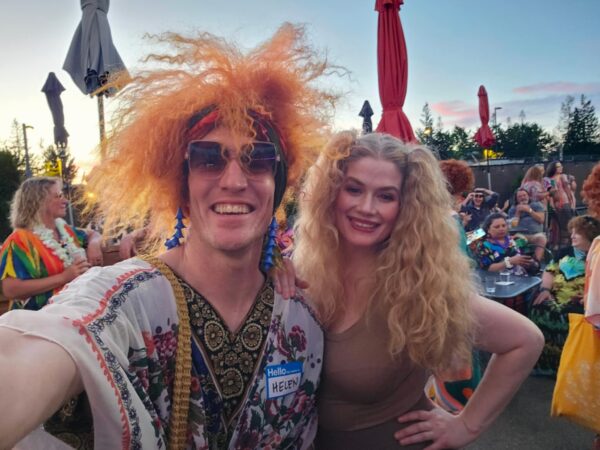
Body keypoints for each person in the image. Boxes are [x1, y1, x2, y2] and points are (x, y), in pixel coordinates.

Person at [0, 24, 333, 449]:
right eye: (209, 159)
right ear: (182, 187)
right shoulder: (127, 302)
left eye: (258, 159)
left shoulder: (303, 315)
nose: (234, 180)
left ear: (277, 186)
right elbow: (51, 341)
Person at [290, 132, 543, 449]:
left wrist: (466, 426)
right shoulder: (304, 270)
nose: (367, 207)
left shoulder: (418, 286)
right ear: (330, 192)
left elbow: (525, 341)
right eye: (354, 189)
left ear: (406, 206)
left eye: (386, 196)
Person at [0, 177, 103, 311]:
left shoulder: (65, 230)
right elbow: (10, 289)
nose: (65, 201)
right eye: (58, 196)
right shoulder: (19, 241)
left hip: (77, 310)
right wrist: (63, 277)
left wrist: (94, 245)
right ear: (39, 201)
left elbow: (93, 235)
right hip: (39, 317)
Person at [529, 215, 600, 376]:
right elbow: (549, 271)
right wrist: (545, 290)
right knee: (539, 307)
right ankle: (545, 364)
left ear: (589, 234)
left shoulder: (597, 255)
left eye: (577, 233)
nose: (572, 236)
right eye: (572, 232)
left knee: (571, 313)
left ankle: (569, 366)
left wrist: (588, 297)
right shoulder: (564, 252)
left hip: (584, 302)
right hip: (554, 296)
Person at [474, 212, 536, 313]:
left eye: (504, 225)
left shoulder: (511, 240)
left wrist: (528, 262)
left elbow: (521, 256)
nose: (501, 229)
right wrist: (509, 262)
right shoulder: (484, 245)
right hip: (497, 284)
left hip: (520, 281)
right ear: (488, 229)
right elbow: (488, 268)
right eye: (497, 227)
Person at [508, 188, 548, 262]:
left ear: (528, 196)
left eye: (524, 195)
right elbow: (513, 226)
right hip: (520, 234)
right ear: (516, 199)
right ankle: (520, 262)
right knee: (513, 241)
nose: (523, 197)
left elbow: (541, 220)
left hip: (535, 234)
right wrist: (518, 212)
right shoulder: (513, 209)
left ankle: (536, 262)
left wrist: (529, 210)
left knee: (542, 239)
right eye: (520, 196)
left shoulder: (536, 205)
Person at [545, 161, 575, 251]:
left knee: (568, 223)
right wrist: (552, 203)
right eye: (558, 166)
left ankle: (569, 243)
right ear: (553, 168)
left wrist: (572, 201)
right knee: (559, 224)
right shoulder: (550, 179)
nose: (561, 168)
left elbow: (567, 189)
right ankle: (561, 244)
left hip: (564, 202)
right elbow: (551, 193)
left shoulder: (562, 176)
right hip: (558, 203)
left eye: (561, 166)